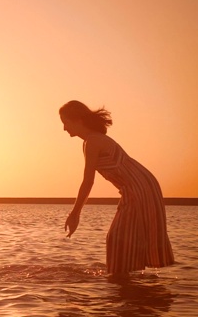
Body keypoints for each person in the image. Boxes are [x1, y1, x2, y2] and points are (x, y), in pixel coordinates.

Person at [59, 100, 174, 277]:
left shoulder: (93, 141)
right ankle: (126, 287)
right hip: (140, 185)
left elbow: (88, 181)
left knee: (116, 238)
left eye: (65, 122)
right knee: (122, 239)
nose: (64, 128)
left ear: (78, 120)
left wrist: (75, 213)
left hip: (138, 187)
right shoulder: (89, 141)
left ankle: (120, 283)